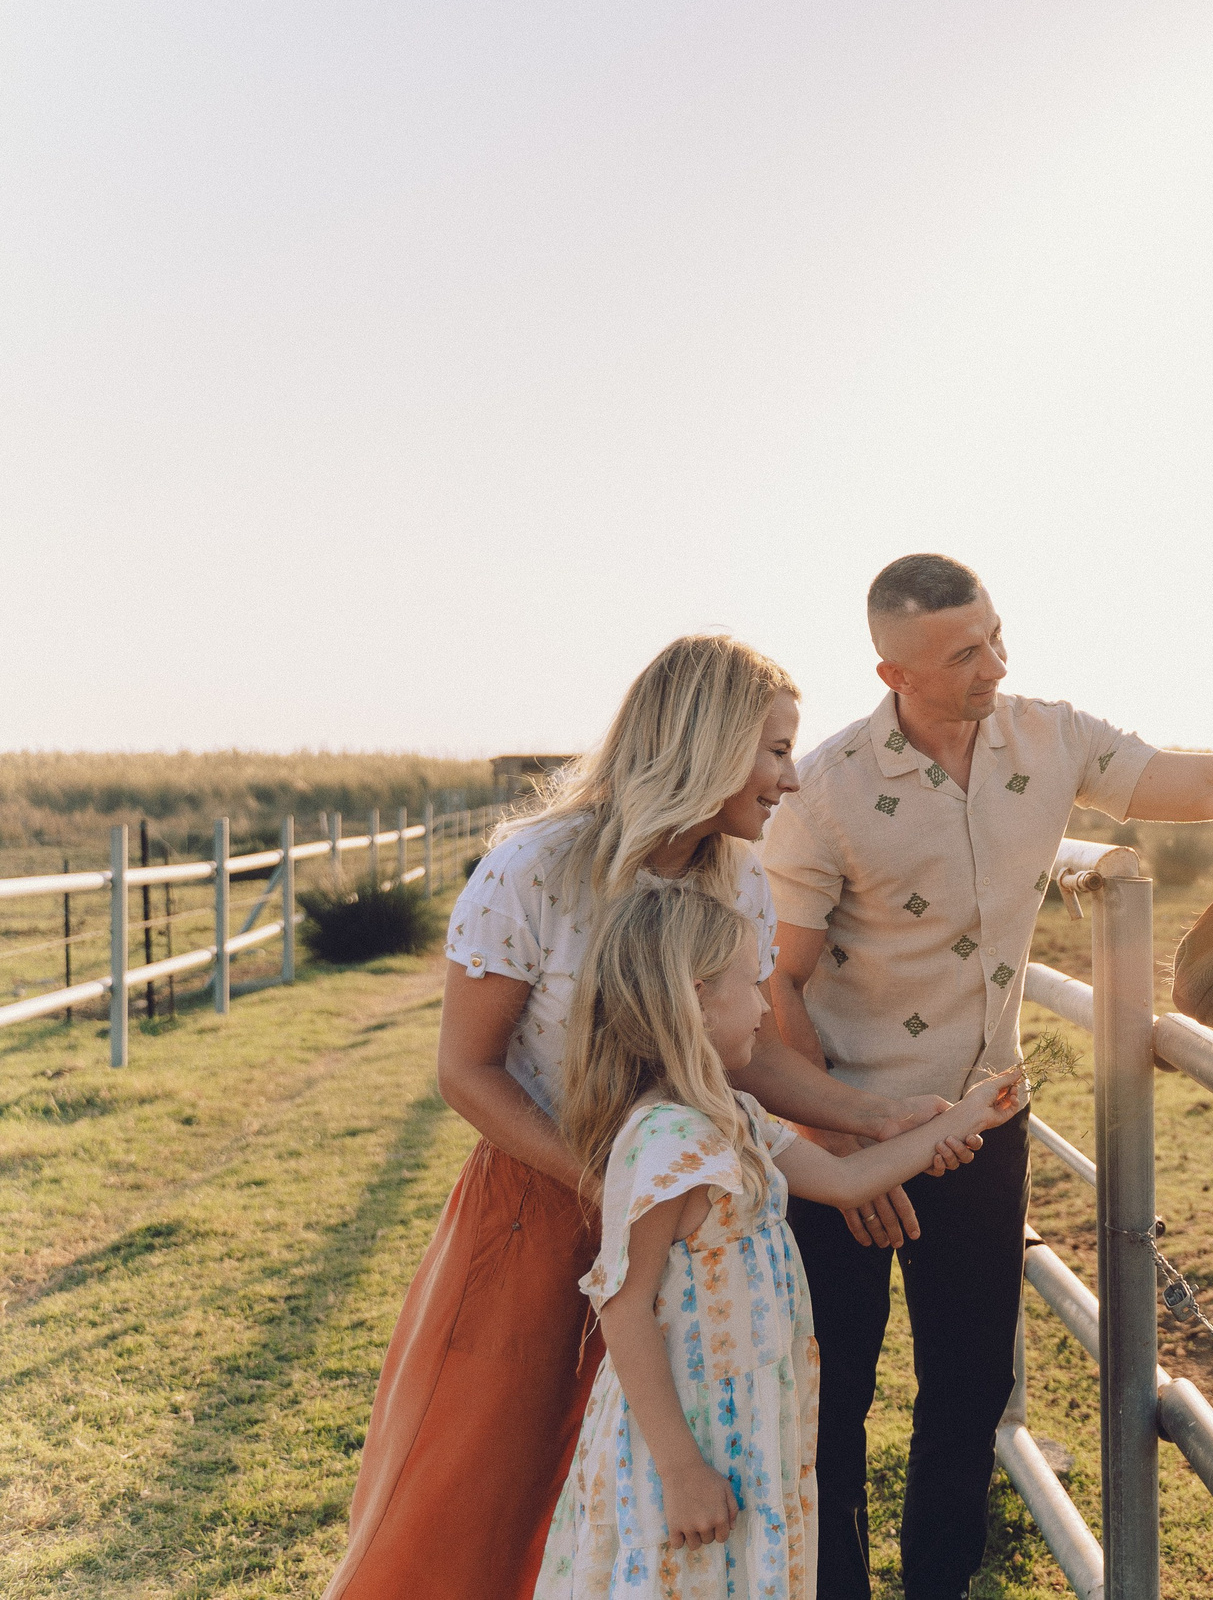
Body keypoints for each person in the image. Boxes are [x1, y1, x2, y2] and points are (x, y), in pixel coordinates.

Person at [760, 553, 1213, 1600]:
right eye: (965, 653)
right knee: (832, 1397)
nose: (996, 664)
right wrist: (843, 1146)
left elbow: (1204, 785)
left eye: (996, 636)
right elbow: (778, 982)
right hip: (844, 1125)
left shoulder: (1050, 737)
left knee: (969, 1389)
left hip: (982, 1122)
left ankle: (939, 1589)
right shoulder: (823, 792)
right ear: (894, 674)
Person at [327, 635, 969, 1600]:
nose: (792, 778)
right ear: (708, 745)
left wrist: (874, 1118)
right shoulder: (532, 869)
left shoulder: (737, 878)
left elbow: (749, 1054)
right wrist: (614, 1183)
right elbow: (467, 1069)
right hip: (538, 1203)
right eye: (776, 750)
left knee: (641, 1494)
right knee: (475, 1486)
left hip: (690, 1222)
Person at [534, 882, 1024, 1600]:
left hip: (750, 1421)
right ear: (698, 999)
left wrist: (964, 1119)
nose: (767, 1008)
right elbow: (623, 1306)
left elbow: (847, 1180)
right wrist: (681, 1469)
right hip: (689, 1435)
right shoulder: (666, 1141)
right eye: (751, 985)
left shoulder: (733, 1113)